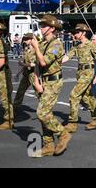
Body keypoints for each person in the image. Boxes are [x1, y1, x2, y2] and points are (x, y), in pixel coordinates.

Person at [29, 15, 71, 157]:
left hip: (53, 82)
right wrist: (36, 81)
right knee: (44, 115)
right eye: (41, 25)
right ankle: (48, 145)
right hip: (43, 81)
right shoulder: (42, 44)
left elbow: (43, 63)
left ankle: (63, 133)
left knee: (42, 113)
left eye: (44, 26)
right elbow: (36, 65)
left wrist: (35, 47)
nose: (41, 28)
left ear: (52, 28)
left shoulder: (56, 44)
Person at [62, 23, 96, 133]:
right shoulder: (76, 46)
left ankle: (72, 123)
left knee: (74, 95)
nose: (75, 34)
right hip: (80, 72)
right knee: (87, 97)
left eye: (77, 32)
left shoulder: (90, 45)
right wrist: (54, 62)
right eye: (75, 32)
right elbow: (66, 57)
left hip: (88, 72)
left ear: (84, 33)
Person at [13, 33, 42, 112]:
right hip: (26, 74)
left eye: (27, 39)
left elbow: (34, 64)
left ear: (32, 39)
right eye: (24, 39)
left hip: (34, 74)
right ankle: (14, 110)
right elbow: (26, 62)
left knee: (39, 93)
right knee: (20, 92)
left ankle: (45, 109)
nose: (25, 41)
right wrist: (18, 73)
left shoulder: (36, 49)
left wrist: (23, 64)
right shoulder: (27, 49)